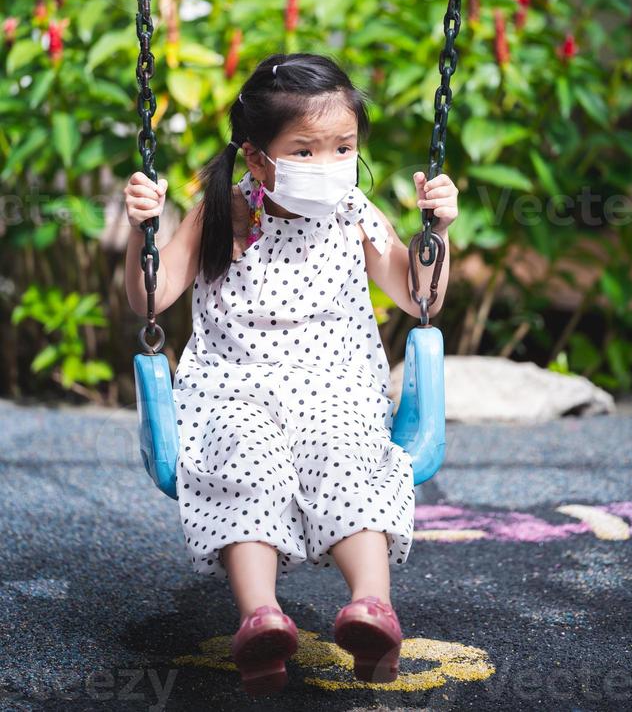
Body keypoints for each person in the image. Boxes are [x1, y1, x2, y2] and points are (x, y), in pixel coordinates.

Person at [123, 52, 458, 695]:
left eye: (343, 148)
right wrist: (147, 230)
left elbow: (419, 294)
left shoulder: (354, 211)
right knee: (242, 459)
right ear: (256, 157)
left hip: (337, 387)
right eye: (304, 151)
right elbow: (152, 294)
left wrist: (434, 234)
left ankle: (372, 610)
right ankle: (261, 617)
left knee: (347, 455)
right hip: (234, 387)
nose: (327, 165)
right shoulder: (219, 209)